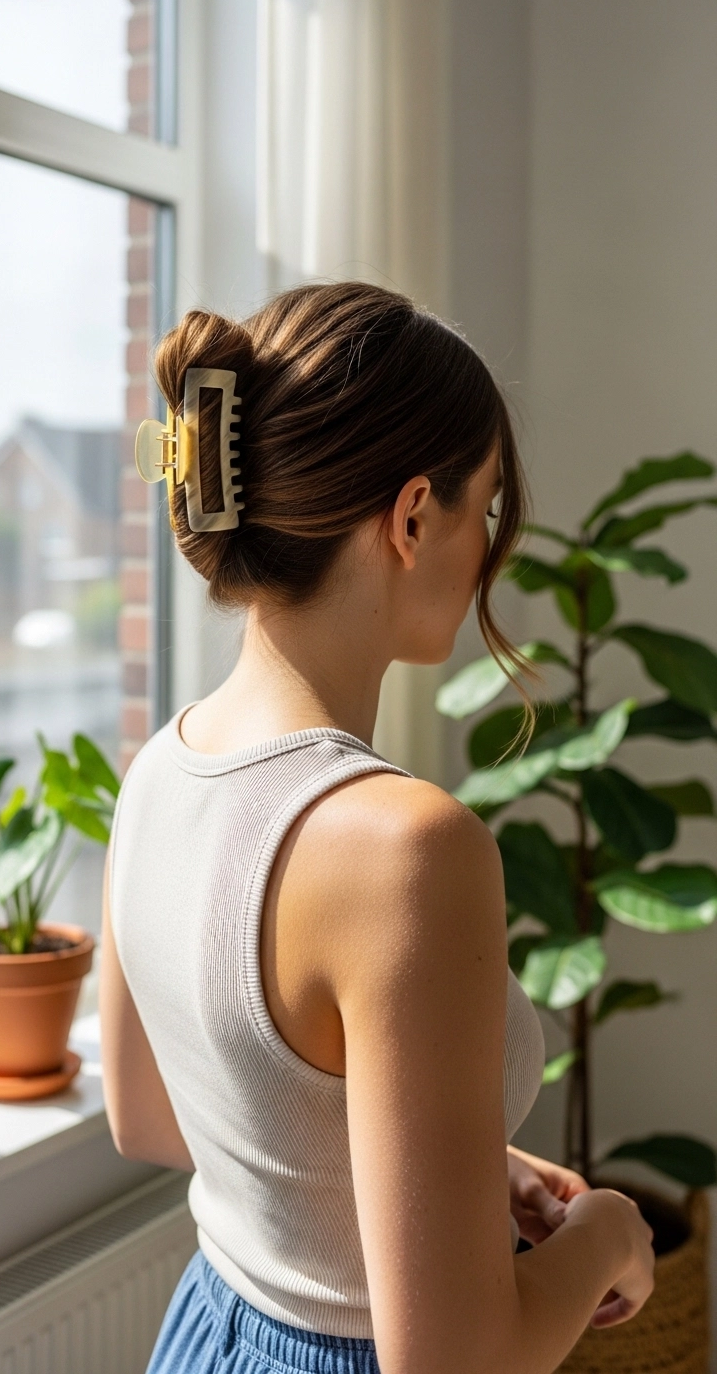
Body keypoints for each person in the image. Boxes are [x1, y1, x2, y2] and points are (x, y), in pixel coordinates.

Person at [100, 281, 654, 1374]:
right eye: (484, 508)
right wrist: (605, 1239)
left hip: (206, 1332)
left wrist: (452, 1167)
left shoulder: (158, 772)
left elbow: (154, 1121)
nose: (487, 547)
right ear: (411, 518)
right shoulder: (409, 850)